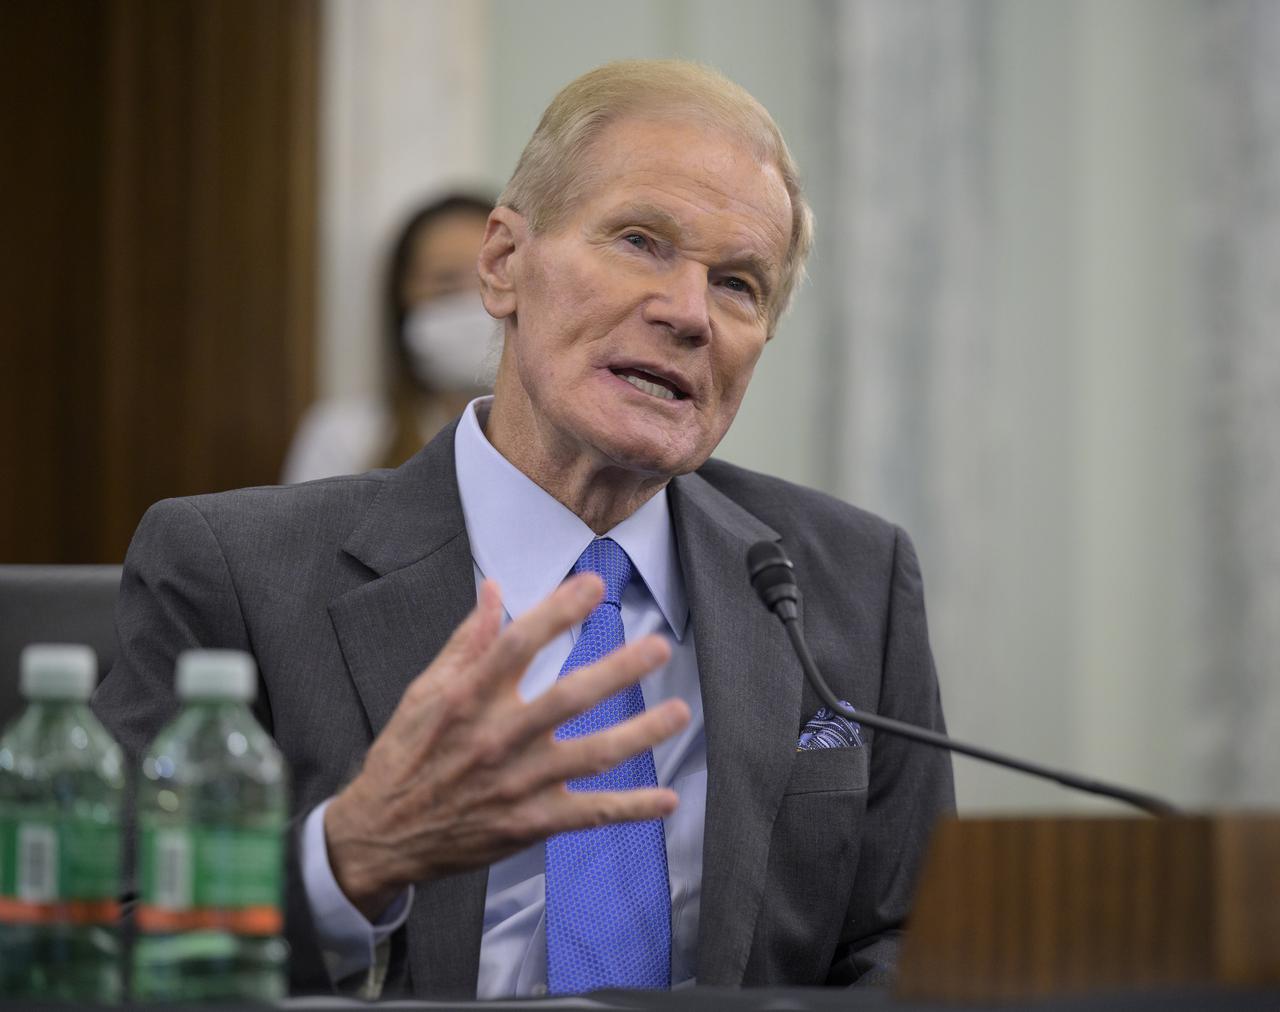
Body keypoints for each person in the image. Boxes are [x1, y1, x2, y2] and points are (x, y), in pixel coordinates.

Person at [93, 60, 954, 999]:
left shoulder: (849, 580)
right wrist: (348, 860)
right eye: (640, 240)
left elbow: (911, 944)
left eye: (739, 285)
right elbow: (96, 953)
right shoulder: (233, 573)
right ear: (503, 264)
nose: (688, 313)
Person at [281, 192, 496, 483]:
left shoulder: (568, 444)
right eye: (446, 284)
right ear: (403, 298)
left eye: (493, 279)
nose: (475, 304)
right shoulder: (346, 439)